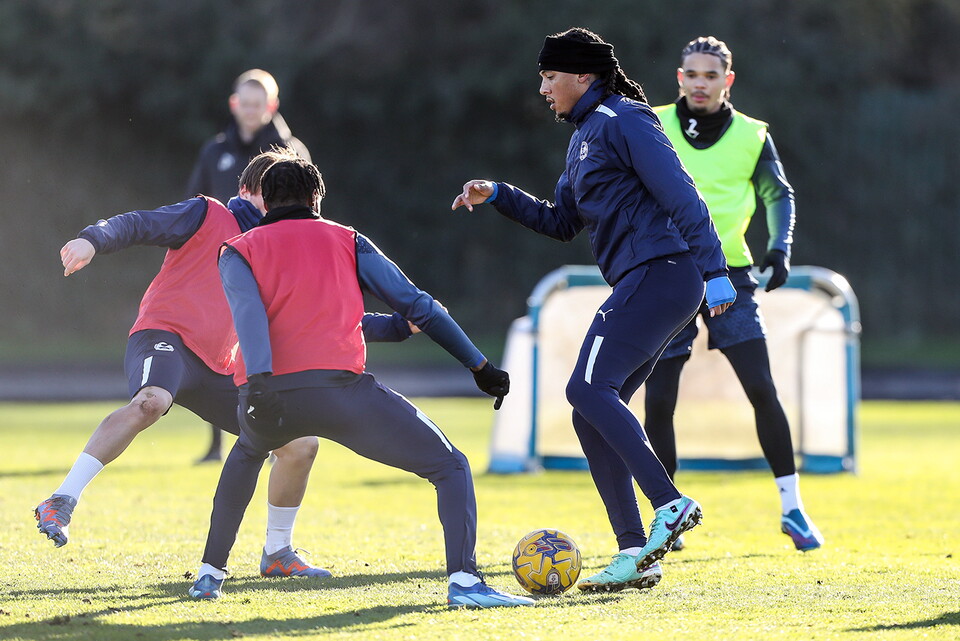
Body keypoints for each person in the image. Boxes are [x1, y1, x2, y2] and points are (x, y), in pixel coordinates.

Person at [451, 27, 736, 593]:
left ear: (582, 76)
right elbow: (561, 222)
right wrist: (499, 194)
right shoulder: (584, 135)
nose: (542, 89)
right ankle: (636, 554)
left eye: (549, 77)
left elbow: (683, 195)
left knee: (585, 389)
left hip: (663, 274)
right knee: (590, 410)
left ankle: (669, 503)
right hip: (648, 279)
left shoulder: (625, 119)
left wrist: (715, 270)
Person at [34, 149, 409, 578]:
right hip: (165, 337)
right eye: (271, 193)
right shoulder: (206, 213)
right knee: (150, 402)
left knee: (300, 444)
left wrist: (399, 325)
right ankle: (61, 500)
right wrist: (92, 239)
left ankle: (278, 553)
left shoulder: (275, 246)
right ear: (248, 190)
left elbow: (319, 318)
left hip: (221, 367)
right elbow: (139, 222)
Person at [187, 157, 533, 609]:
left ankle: (210, 575)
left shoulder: (236, 249)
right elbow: (419, 306)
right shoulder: (347, 239)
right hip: (344, 394)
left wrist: (257, 385)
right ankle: (465, 583)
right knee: (451, 467)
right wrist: (480, 366)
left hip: (270, 396)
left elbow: (250, 316)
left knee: (247, 454)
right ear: (317, 198)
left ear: (265, 202)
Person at [644, 36, 823, 553]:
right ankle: (666, 513)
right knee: (659, 399)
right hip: (667, 273)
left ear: (728, 80)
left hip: (733, 275)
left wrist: (780, 248)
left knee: (761, 390)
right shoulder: (651, 124)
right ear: (679, 78)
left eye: (710, 75)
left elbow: (778, 193)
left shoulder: (752, 135)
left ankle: (793, 509)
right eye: (691, 75)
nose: (700, 83)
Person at [186, 69, 312, 463]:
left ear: (271, 107)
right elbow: (195, 204)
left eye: (259, 104)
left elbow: (307, 213)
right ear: (233, 104)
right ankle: (219, 439)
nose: (251, 110)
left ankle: (280, 431)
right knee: (220, 347)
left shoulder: (290, 151)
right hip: (224, 264)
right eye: (245, 103)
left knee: (271, 343)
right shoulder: (214, 150)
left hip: (273, 264)